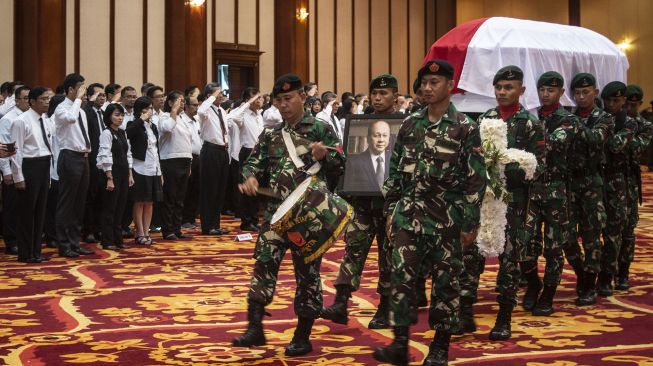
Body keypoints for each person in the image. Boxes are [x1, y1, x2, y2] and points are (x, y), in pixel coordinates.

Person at [373, 60, 486, 365]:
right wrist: (390, 210)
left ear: (450, 85)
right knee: (400, 277)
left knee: (446, 283)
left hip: (445, 219)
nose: (426, 87)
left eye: (434, 82)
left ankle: (440, 346)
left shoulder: (464, 127)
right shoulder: (411, 123)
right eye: (424, 82)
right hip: (408, 215)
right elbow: (396, 169)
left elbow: (475, 179)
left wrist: (469, 223)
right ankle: (399, 343)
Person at [232, 73, 345, 356]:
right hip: (275, 215)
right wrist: (250, 178)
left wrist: (326, 157)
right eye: (278, 100)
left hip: (308, 216)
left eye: (288, 98)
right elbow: (252, 163)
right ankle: (254, 327)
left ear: (302, 98)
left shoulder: (321, 129)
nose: (283, 105)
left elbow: (342, 165)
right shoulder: (271, 134)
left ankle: (303, 334)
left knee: (307, 274)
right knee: (263, 263)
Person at [457, 66, 545, 340]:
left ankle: (504, 317)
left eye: (509, 87)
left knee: (509, 260)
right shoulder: (484, 120)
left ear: (521, 90)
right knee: (471, 256)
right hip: (484, 200)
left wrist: (511, 170)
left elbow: (540, 165)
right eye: (499, 87)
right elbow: (470, 158)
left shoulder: (530, 123)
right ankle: (465, 313)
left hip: (515, 203)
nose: (503, 92)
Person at [321, 74, 401, 330]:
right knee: (353, 251)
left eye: (384, 93)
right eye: (374, 93)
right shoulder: (358, 125)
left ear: (395, 96)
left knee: (388, 258)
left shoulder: (406, 126)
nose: (378, 98)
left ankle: (385, 307)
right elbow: (348, 163)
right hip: (363, 203)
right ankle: (341, 303)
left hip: (391, 206)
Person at [520, 72, 579, 317]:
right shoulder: (532, 117)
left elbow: (552, 143)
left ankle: (549, 293)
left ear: (561, 93)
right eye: (542, 89)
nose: (546, 94)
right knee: (525, 243)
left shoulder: (568, 120)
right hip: (532, 190)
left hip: (555, 190)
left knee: (554, 246)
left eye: (551, 90)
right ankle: (533, 283)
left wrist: (526, 135)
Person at [564, 73, 614, 306]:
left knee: (592, 236)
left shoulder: (603, 118)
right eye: (577, 93)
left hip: (592, 183)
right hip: (569, 183)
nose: (581, 97)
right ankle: (582, 273)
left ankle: (589, 283)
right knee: (566, 237)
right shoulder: (569, 116)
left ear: (595, 91)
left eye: (586, 92)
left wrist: (575, 125)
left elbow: (596, 139)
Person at [598, 81, 637, 296]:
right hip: (597, 179)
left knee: (616, 233)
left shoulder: (629, 123)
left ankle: (610, 275)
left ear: (624, 100)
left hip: (618, 182)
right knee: (594, 232)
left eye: (617, 100)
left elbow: (614, 145)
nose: (612, 104)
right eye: (608, 100)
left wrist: (602, 131)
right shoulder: (599, 118)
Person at [54, 73, 95, 258]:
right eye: (80, 88)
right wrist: (78, 100)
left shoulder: (81, 110)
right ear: (70, 89)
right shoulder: (62, 108)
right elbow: (70, 119)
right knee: (67, 203)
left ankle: (74, 242)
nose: (84, 92)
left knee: (79, 203)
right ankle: (63, 244)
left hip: (83, 157)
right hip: (69, 156)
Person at [11, 86, 53, 263]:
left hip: (44, 165)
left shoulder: (45, 120)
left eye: (48, 99)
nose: (47, 102)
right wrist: (18, 176)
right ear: (32, 101)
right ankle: (25, 252)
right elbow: (16, 150)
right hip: (29, 166)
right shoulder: (21, 121)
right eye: (43, 99)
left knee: (40, 211)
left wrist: (49, 174)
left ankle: (36, 250)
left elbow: (49, 148)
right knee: (27, 212)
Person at [618, 85, 653, 290]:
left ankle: (623, 272)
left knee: (627, 232)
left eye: (634, 104)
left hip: (630, 183)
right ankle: (607, 271)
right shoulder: (613, 120)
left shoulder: (643, 125)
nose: (630, 107)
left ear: (640, 104)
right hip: (610, 181)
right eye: (627, 103)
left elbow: (635, 147)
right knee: (610, 232)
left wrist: (624, 129)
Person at [97, 103, 134, 250]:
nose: (120, 118)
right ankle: (107, 240)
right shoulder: (106, 133)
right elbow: (105, 155)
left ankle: (118, 239)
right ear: (109, 117)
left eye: (121, 115)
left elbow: (128, 153)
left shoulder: (122, 132)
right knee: (109, 208)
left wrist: (130, 174)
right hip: (111, 174)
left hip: (124, 174)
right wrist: (109, 177)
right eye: (116, 115)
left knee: (120, 208)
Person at [126, 96, 162, 245]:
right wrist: (141, 119)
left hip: (153, 168)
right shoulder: (133, 124)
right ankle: (139, 232)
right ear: (141, 110)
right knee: (139, 201)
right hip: (139, 167)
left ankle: (147, 232)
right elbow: (128, 133)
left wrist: (160, 171)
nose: (151, 111)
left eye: (151, 108)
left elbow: (155, 149)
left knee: (150, 202)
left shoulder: (153, 127)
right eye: (148, 108)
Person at [158, 91, 193, 240]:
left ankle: (177, 229)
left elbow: (188, 141)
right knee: (170, 197)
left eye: (183, 102)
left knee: (180, 197)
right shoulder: (164, 117)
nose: (182, 104)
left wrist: (190, 162)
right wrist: (173, 110)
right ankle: (168, 230)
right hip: (170, 160)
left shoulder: (183, 119)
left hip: (185, 160)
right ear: (170, 103)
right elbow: (167, 128)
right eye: (178, 101)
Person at [0, 85, 30, 255]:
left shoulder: (31, 117)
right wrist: (6, 171)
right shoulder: (8, 119)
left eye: (29, 98)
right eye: (25, 98)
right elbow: (4, 146)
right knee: (11, 206)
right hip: (11, 166)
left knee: (24, 205)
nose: (27, 101)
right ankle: (11, 241)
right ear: (16, 100)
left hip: (27, 166)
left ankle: (23, 237)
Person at [229, 87, 264, 231]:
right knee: (246, 188)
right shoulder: (243, 114)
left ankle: (255, 219)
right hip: (247, 152)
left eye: (260, 97)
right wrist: (247, 104)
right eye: (255, 98)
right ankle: (246, 221)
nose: (259, 100)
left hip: (259, 152)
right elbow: (233, 118)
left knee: (257, 187)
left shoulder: (259, 115)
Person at [82, 83, 106, 244]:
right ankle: (88, 230)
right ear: (91, 97)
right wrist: (89, 103)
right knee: (90, 196)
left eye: (103, 95)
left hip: (104, 159)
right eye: (98, 95)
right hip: (90, 159)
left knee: (102, 196)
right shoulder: (86, 112)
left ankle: (99, 228)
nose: (102, 97)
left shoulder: (104, 113)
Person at [342, 120, 391, 192]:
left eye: (385, 135)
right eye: (376, 135)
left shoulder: (396, 160)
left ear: (389, 139)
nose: (381, 140)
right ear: (368, 139)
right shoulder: (353, 162)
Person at [181, 95, 202, 228]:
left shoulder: (196, 120)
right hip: (188, 157)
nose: (196, 107)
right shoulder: (182, 120)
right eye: (193, 105)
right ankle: (184, 219)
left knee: (196, 189)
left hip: (199, 157)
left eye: (197, 105)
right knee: (187, 190)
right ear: (186, 106)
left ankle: (191, 218)